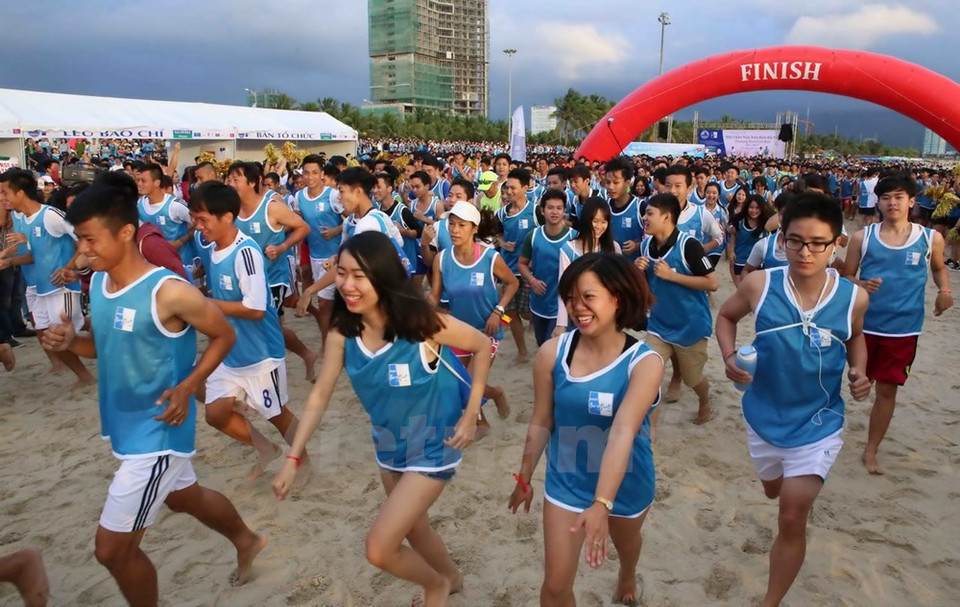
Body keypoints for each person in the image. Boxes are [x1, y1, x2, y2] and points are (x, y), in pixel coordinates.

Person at [41, 175, 264, 606]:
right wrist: (72, 343)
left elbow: (224, 336)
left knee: (112, 551)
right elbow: (105, 350)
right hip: (125, 425)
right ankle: (246, 539)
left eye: (89, 240)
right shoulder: (103, 285)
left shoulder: (169, 291)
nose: (81, 251)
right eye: (78, 240)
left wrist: (188, 386)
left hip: (159, 430)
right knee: (184, 497)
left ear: (126, 233)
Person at [273, 231, 492, 607]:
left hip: (434, 443)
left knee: (379, 547)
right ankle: (452, 578)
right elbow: (320, 394)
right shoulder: (344, 330)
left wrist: (471, 414)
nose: (347, 284)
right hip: (389, 443)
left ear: (383, 276)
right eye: (341, 273)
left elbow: (482, 345)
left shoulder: (421, 323)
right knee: (413, 526)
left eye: (359, 275)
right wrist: (293, 457)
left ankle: (436, 585)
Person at [716, 192, 871, 607]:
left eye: (818, 242)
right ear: (781, 239)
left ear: (837, 242)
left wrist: (860, 371)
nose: (806, 251)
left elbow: (856, 338)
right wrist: (729, 357)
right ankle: (779, 483)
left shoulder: (853, 297)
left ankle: (770, 601)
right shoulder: (760, 284)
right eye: (796, 241)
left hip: (818, 422)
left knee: (791, 513)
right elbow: (726, 316)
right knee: (773, 490)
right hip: (762, 415)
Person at [508, 252, 663, 606]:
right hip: (567, 479)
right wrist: (524, 477)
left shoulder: (645, 363)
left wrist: (602, 503)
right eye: (571, 298)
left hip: (626, 482)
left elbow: (623, 431)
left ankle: (627, 572)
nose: (578, 307)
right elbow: (542, 418)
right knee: (555, 585)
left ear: (617, 298)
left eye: (588, 297)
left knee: (627, 543)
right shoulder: (551, 353)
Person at [188, 182, 307, 480]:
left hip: (260, 353)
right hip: (230, 350)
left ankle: (303, 463)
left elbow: (254, 309)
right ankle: (266, 448)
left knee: (277, 415)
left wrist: (204, 303)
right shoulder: (213, 249)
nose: (197, 226)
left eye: (203, 219)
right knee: (215, 414)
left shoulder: (246, 252)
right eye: (195, 218)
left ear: (227, 217)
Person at [843, 174, 953, 474]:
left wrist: (944, 291)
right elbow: (845, 276)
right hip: (861, 326)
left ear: (912, 201)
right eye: (886, 197)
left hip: (903, 329)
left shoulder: (930, 238)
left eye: (899, 197)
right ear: (877, 202)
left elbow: (940, 269)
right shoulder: (861, 238)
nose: (892, 203)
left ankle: (871, 449)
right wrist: (861, 282)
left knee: (887, 391)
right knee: (851, 381)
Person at [0, 168, 94, 387]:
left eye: (5, 192)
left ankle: (87, 375)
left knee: (63, 336)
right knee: (47, 337)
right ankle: (82, 374)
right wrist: (10, 260)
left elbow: (84, 239)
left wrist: (68, 267)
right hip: (39, 286)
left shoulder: (50, 215)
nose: (2, 198)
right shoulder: (18, 216)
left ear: (20, 193)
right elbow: (35, 254)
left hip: (62, 287)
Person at [430, 201, 517, 435]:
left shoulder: (489, 257)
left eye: (461, 225)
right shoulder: (442, 259)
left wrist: (498, 311)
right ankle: (493, 398)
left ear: (474, 228)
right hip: (458, 331)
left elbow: (513, 283)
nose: (455, 230)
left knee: (468, 381)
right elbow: (435, 296)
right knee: (460, 383)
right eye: (451, 224)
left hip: (487, 331)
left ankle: (480, 423)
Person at [226, 161, 316, 382]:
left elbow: (303, 227)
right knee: (264, 325)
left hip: (272, 280)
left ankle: (270, 371)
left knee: (263, 325)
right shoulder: (232, 208)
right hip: (244, 279)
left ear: (252, 182)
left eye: (236, 179)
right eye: (229, 179)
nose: (231, 183)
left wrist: (282, 247)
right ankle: (306, 355)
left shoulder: (272, 207)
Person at [637, 193, 718, 436]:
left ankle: (704, 401)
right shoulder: (645, 245)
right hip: (659, 325)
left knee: (694, 380)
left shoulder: (689, 246)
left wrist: (673, 276)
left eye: (650, 213)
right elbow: (646, 285)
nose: (644, 217)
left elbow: (712, 283)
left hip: (691, 326)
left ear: (667, 216)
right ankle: (647, 425)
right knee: (645, 370)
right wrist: (637, 272)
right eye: (645, 213)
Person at [552, 197, 620, 337]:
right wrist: (561, 323)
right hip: (580, 313)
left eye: (603, 222)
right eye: (595, 221)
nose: (599, 226)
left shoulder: (613, 248)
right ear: (586, 220)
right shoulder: (568, 250)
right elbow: (563, 288)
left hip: (607, 315)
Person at [494, 168, 540, 363]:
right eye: (507, 188)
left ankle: (538, 333)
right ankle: (522, 351)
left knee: (527, 312)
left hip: (529, 271)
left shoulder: (536, 211)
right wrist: (503, 243)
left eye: (513, 188)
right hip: (507, 270)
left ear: (525, 187)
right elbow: (496, 235)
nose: (509, 192)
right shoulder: (502, 213)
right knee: (510, 313)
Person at [296, 159, 342, 350]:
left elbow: (351, 219)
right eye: (306, 173)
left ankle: (335, 345)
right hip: (316, 256)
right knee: (325, 306)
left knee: (330, 305)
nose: (310, 177)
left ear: (322, 174)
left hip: (337, 257)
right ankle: (327, 345)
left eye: (315, 172)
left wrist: (334, 231)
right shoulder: (299, 196)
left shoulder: (332, 195)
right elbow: (299, 223)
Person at [518, 189, 574, 345]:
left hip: (563, 308)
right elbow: (522, 263)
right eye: (550, 208)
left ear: (564, 211)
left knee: (556, 348)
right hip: (539, 304)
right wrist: (532, 280)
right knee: (541, 344)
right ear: (542, 210)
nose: (554, 212)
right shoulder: (533, 236)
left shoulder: (573, 237)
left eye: (559, 208)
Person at [135, 164, 197, 277]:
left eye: (143, 181)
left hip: (182, 263)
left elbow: (199, 224)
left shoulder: (175, 205)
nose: (139, 184)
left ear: (157, 183)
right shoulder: (139, 205)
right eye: (138, 180)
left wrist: (180, 241)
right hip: (155, 267)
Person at [728, 194, 771, 286]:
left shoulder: (767, 224)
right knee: (741, 289)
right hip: (740, 260)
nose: (754, 211)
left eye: (757, 208)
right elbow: (733, 236)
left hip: (759, 263)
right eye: (751, 207)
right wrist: (731, 251)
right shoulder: (739, 221)